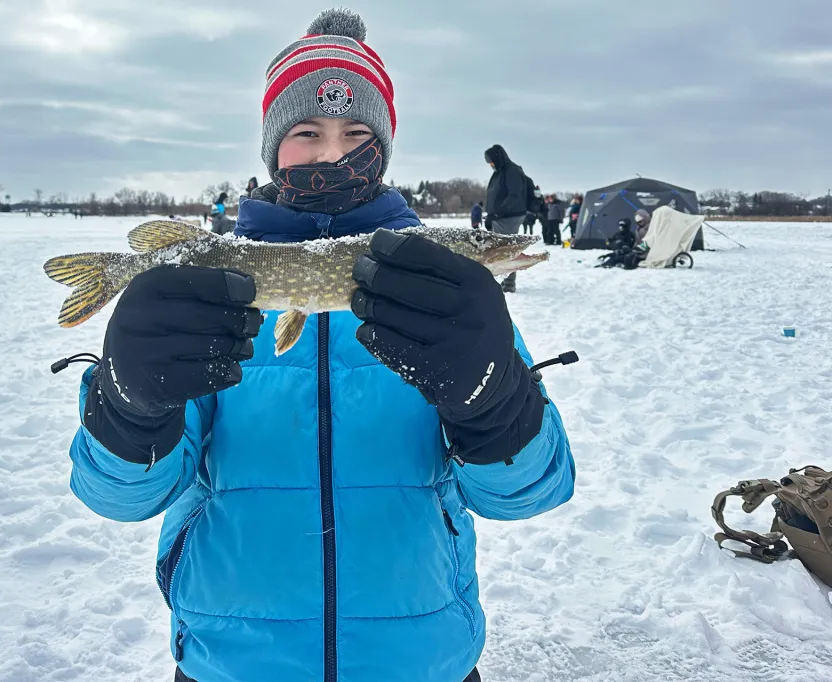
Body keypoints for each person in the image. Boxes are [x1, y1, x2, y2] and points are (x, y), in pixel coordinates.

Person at [65, 9, 575, 682]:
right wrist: (128, 404)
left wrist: (497, 403)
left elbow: (529, 494)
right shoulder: (210, 289)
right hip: (234, 662)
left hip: (417, 661)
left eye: (355, 132)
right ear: (273, 147)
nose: (332, 152)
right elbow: (121, 497)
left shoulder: (446, 298)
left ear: (384, 147)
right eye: (307, 131)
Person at [483, 144, 529, 292]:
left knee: (506, 249)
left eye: (491, 161)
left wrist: (497, 212)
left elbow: (514, 195)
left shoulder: (511, 171)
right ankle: (505, 280)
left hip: (509, 216)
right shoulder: (499, 171)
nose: (490, 164)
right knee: (500, 249)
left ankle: (509, 283)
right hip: (500, 216)